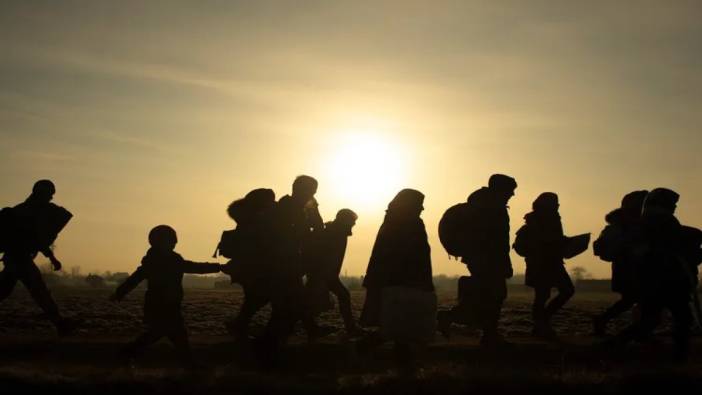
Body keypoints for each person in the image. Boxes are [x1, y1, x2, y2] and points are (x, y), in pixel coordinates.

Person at [111, 225, 223, 369]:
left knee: (164, 335)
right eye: (171, 240)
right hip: (161, 306)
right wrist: (219, 267)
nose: (175, 243)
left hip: (166, 305)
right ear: (161, 242)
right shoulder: (164, 261)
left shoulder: (162, 260)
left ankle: (126, 355)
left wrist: (119, 293)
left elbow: (134, 279)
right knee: (172, 336)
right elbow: (194, 267)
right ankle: (190, 367)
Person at [610, 188, 693, 362]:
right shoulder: (659, 222)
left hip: (658, 279)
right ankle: (680, 356)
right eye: (672, 204)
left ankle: (614, 345)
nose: (674, 207)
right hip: (665, 279)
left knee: (654, 320)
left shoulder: (649, 222)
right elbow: (671, 245)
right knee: (680, 318)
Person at [358, 189, 434, 374]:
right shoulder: (407, 224)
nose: (422, 208)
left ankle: (401, 366)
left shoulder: (393, 222)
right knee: (399, 326)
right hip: (402, 282)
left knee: (400, 327)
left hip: (396, 282)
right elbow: (415, 256)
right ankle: (368, 350)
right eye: (419, 204)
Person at [439, 174, 517, 347]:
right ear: (501, 189)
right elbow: (497, 240)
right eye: (510, 191)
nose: (512, 195)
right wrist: (504, 262)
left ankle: (484, 331)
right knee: (495, 296)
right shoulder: (492, 208)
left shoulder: (482, 204)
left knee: (488, 296)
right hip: (488, 259)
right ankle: (485, 333)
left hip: (480, 258)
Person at [0, 180, 76, 336]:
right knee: (39, 291)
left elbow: (37, 239)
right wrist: (52, 258)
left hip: (16, 259)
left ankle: (60, 323)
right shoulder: (28, 213)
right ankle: (60, 324)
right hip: (19, 259)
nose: (50, 198)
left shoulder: (23, 210)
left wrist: (51, 257)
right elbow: (37, 239)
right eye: (49, 194)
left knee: (5, 290)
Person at [219, 189, 277, 339]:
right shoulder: (254, 220)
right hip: (251, 266)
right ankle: (240, 326)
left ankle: (240, 326)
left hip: (247, 266)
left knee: (254, 298)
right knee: (258, 297)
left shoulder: (248, 217)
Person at [516, 192, 574, 339]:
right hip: (543, 263)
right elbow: (544, 241)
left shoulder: (549, 218)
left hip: (550, 263)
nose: (558, 206)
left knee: (547, 295)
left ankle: (541, 323)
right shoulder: (540, 220)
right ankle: (541, 324)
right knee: (546, 295)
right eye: (555, 203)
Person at [592, 190, 648, 336]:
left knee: (635, 300)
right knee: (636, 300)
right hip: (627, 268)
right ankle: (638, 332)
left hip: (637, 267)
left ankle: (638, 330)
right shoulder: (620, 226)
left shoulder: (633, 224)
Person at [305, 208, 362, 336]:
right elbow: (323, 257)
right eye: (352, 221)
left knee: (309, 302)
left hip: (327, 275)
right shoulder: (333, 233)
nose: (354, 224)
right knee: (308, 303)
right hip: (323, 274)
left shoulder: (336, 232)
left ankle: (312, 327)